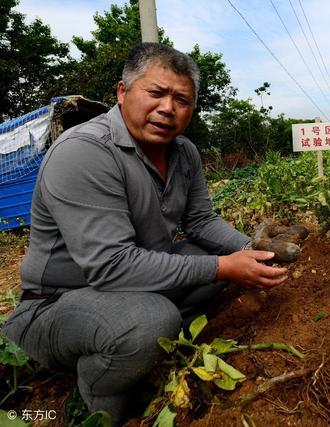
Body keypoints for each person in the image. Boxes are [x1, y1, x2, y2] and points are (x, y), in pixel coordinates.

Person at [1, 43, 287, 425]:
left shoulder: (184, 153)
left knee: (199, 257)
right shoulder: (85, 152)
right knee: (151, 319)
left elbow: (202, 222)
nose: (168, 108)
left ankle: (143, 351)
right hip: (57, 306)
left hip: (131, 287)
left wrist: (254, 251)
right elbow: (112, 267)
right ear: (123, 92)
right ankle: (97, 402)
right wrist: (225, 267)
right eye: (156, 93)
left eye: (181, 100)